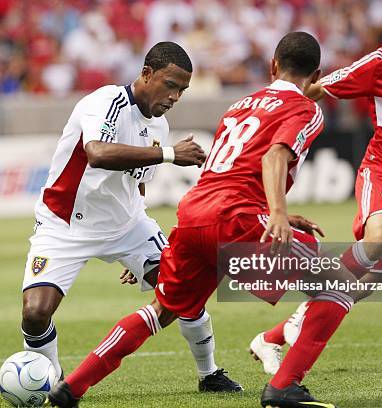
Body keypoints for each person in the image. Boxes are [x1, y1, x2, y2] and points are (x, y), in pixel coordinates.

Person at [47, 32, 354, 408]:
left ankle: (71, 387)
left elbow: (229, 171)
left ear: (273, 66)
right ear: (317, 73)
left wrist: (278, 212)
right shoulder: (306, 109)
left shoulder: (242, 104)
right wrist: (275, 213)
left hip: (195, 214)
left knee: (162, 311)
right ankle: (284, 386)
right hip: (236, 218)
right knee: (339, 285)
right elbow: (273, 157)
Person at [251, 0, 382, 382]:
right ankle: (298, 326)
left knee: (381, 279)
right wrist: (268, 122)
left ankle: (273, 336)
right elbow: (313, 89)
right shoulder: (378, 65)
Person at [20, 41, 242, 393]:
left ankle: (209, 373)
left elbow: (137, 185)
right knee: (35, 313)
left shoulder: (159, 127)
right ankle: (52, 380)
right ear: (146, 73)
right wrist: (169, 155)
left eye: (182, 90)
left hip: (128, 226)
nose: (175, 96)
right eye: (170, 85)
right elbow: (97, 153)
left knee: (184, 289)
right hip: (63, 224)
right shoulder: (106, 102)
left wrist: (135, 247)